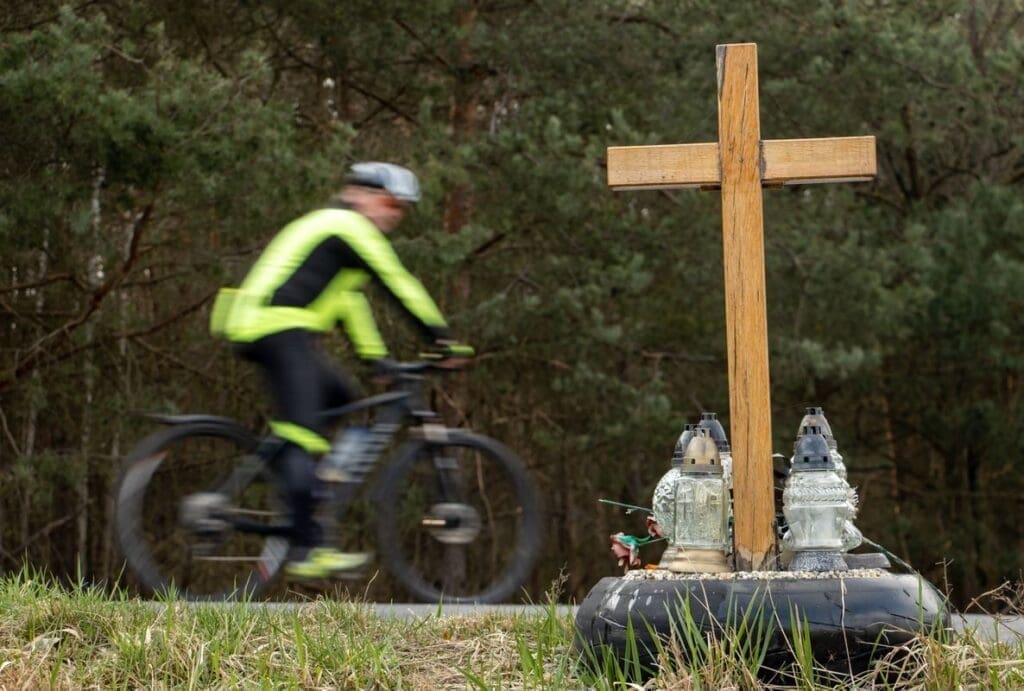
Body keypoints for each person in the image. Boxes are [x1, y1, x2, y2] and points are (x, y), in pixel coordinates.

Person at [210, 162, 472, 579]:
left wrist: (375, 359)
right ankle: (307, 548)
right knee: (302, 433)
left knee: (342, 396)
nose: (394, 215)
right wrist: (441, 338)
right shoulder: (346, 226)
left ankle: (305, 480)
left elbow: (350, 302)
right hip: (274, 325)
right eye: (389, 203)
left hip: (275, 327)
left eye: (401, 209)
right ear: (359, 195)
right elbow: (397, 283)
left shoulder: (337, 239)